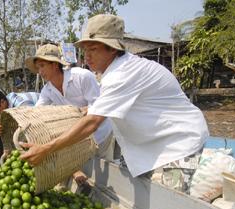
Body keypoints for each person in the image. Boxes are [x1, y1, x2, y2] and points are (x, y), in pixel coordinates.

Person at [21, 14, 209, 193]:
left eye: (93, 49)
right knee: (138, 188)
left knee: (170, 203)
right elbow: (96, 108)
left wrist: (46, 149)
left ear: (113, 49)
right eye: (85, 50)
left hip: (178, 142)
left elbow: (93, 122)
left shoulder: (123, 73)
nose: (87, 56)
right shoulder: (112, 73)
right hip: (145, 143)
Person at [25, 43, 114, 185]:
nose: (40, 72)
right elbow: (35, 113)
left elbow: (101, 107)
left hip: (100, 133)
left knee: (104, 176)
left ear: (55, 64)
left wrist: (84, 110)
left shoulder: (81, 77)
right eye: (38, 67)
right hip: (78, 137)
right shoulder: (47, 90)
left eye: (42, 65)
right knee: (85, 173)